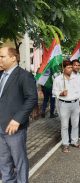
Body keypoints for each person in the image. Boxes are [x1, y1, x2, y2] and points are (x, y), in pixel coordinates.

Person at [0, 47, 38, 182]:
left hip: (14, 128)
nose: (0, 59)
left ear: (13, 58)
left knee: (19, 161)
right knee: (3, 162)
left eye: (2, 56)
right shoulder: (1, 75)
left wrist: (17, 119)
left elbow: (32, 98)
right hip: (0, 127)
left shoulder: (24, 76)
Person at [53, 60, 80, 153]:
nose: (71, 69)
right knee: (65, 125)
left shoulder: (77, 78)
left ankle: (74, 141)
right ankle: (65, 144)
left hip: (75, 103)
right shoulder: (58, 79)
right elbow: (54, 91)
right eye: (69, 67)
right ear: (63, 68)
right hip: (64, 104)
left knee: (75, 124)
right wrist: (61, 93)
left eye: (71, 67)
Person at [71, 59, 80, 139]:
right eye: (75, 65)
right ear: (72, 66)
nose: (77, 67)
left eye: (78, 65)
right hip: (71, 101)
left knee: (79, 118)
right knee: (71, 119)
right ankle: (70, 135)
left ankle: (79, 131)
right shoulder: (69, 76)